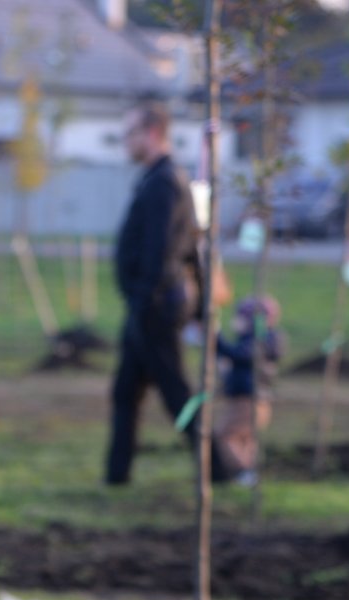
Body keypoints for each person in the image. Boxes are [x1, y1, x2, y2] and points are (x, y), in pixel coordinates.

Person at [107, 100, 198, 486]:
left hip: (155, 306)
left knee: (176, 393)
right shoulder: (155, 178)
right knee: (125, 392)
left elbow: (162, 249)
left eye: (131, 133)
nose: (126, 141)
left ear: (153, 133)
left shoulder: (165, 182)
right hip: (145, 305)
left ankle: (219, 468)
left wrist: (145, 301)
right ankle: (116, 476)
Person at [212, 296, 283, 486]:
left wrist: (216, 337)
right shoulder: (264, 341)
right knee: (245, 438)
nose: (235, 322)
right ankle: (248, 473)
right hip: (258, 400)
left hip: (246, 400)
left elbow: (237, 355)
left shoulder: (257, 342)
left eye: (240, 318)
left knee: (224, 435)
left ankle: (244, 472)